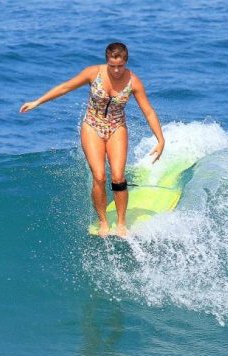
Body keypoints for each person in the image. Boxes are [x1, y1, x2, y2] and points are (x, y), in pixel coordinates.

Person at [20, 42, 166, 237]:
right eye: (112, 65)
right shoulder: (93, 73)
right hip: (92, 126)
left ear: (126, 62)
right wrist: (37, 102)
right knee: (99, 176)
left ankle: (121, 223)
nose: (116, 70)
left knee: (118, 177)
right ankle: (103, 222)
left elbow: (148, 111)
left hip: (116, 127)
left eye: (120, 66)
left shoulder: (133, 82)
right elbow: (65, 87)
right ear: (107, 61)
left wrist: (160, 139)